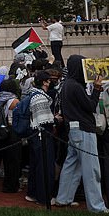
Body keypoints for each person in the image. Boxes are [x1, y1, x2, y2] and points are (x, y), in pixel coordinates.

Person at [53, 55, 108, 211]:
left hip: (74, 129)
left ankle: (63, 198)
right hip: (83, 130)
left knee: (72, 165)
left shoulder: (67, 85)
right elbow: (90, 106)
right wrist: (97, 88)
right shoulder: (75, 86)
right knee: (91, 169)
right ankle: (97, 206)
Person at [25, 70, 55, 205]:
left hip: (35, 134)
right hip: (41, 135)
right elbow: (44, 119)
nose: (51, 82)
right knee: (43, 166)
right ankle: (43, 197)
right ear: (44, 82)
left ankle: (32, 193)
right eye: (49, 80)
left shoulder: (32, 94)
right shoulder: (40, 97)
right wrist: (57, 119)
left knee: (35, 165)